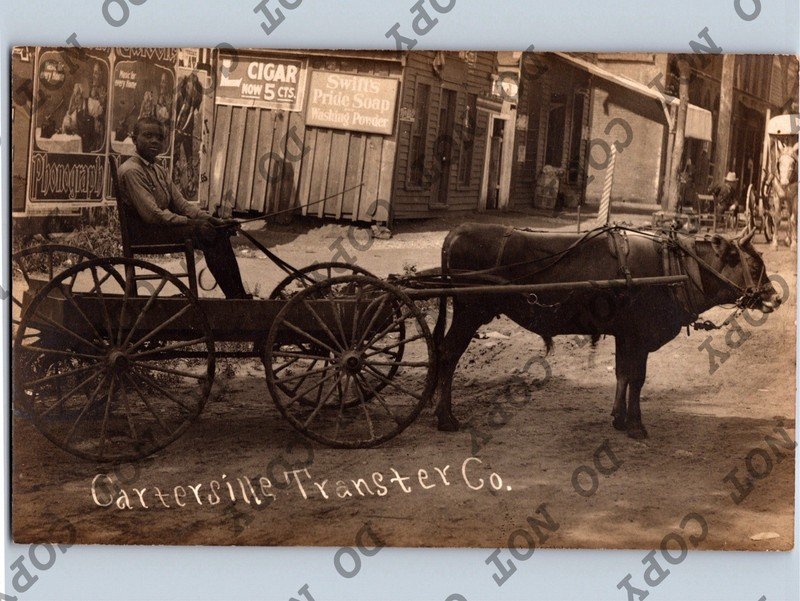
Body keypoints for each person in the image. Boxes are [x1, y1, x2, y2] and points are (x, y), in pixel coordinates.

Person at [118, 116, 249, 299]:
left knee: (218, 230)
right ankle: (236, 298)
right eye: (148, 136)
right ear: (134, 139)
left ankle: (238, 296)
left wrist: (212, 219)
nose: (154, 141)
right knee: (207, 233)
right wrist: (192, 223)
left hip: (159, 229)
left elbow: (182, 205)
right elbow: (153, 215)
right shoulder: (132, 170)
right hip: (145, 234)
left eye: (159, 137)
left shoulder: (158, 169)